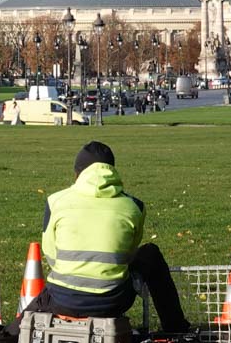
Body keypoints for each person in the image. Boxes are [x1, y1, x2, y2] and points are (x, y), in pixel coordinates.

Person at [34, 142, 190, 333]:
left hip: (62, 300)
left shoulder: (55, 201)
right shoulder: (134, 206)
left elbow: (51, 254)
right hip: (112, 302)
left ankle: (8, 337)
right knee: (151, 254)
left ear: (77, 173)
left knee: (46, 295)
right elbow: (129, 254)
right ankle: (175, 328)